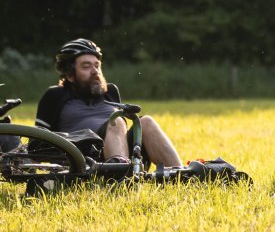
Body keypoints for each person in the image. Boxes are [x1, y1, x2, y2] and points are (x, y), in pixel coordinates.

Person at [36, 38, 182, 167]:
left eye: (97, 66)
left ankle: (183, 175)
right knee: (116, 121)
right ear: (69, 74)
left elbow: (119, 135)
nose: (95, 71)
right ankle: (121, 177)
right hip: (83, 155)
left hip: (118, 152)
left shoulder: (110, 91)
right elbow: (36, 145)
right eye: (86, 67)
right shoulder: (54, 95)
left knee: (146, 122)